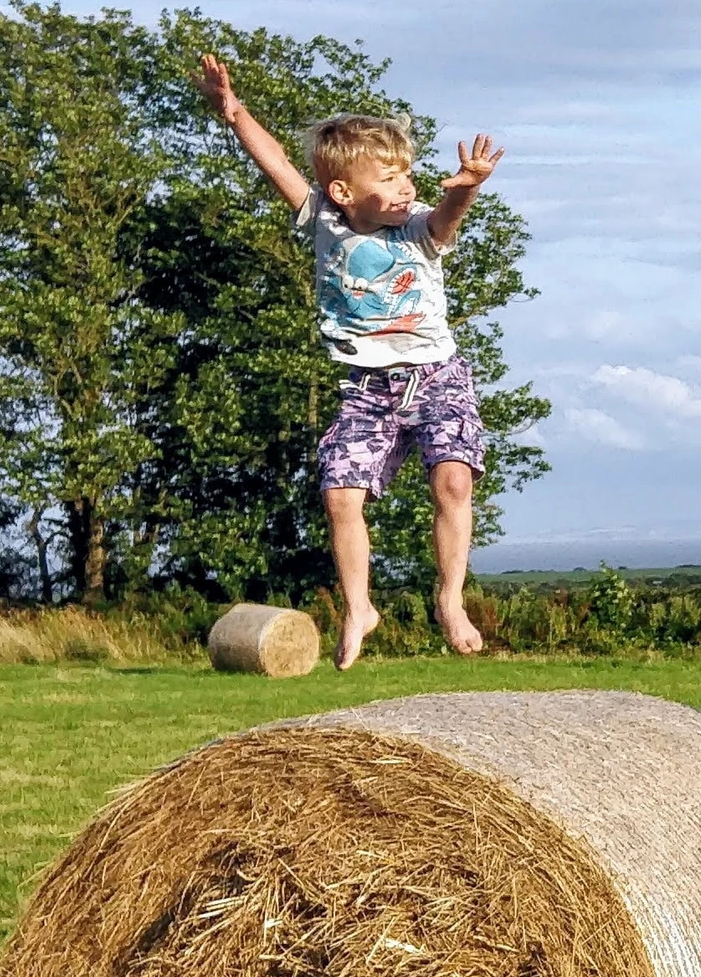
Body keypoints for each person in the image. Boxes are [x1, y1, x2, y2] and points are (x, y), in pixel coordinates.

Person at [194, 54, 505, 669]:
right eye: (389, 180)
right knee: (340, 495)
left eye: (408, 174)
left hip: (437, 375)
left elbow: (447, 216)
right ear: (344, 192)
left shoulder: (418, 229)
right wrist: (233, 111)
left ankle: (449, 599)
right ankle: (359, 606)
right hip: (367, 387)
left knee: (454, 480)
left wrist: (465, 188)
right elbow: (277, 162)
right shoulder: (323, 221)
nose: (406, 187)